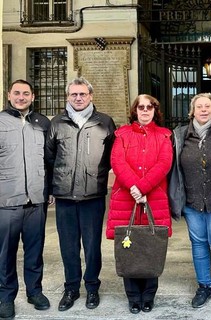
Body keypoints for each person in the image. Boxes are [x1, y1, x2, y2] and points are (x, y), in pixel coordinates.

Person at [45, 77, 116, 312]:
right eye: (74, 94)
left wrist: (98, 177)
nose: (78, 98)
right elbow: (49, 158)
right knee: (68, 246)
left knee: (92, 246)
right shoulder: (57, 123)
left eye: (82, 94)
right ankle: (71, 288)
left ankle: (93, 287)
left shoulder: (104, 122)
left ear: (90, 96)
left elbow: (111, 157)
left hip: (92, 196)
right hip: (65, 197)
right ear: (68, 96)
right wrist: (53, 187)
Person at [168, 93, 211, 317]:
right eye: (199, 107)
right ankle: (204, 286)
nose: (204, 110)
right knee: (198, 245)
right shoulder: (180, 134)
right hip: (192, 201)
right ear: (192, 111)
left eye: (208, 106)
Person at [106, 94, 173, 314]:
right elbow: (117, 161)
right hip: (127, 197)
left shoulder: (164, 136)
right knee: (130, 247)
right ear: (135, 110)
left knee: (151, 246)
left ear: (155, 110)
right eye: (141, 107)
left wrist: (142, 188)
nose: (145, 110)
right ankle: (133, 297)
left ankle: (149, 296)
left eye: (150, 107)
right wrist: (135, 187)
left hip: (153, 197)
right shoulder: (122, 134)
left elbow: (165, 163)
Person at [0, 80, 51, 319]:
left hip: (36, 200)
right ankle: (6, 297)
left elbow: (49, 160)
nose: (21, 97)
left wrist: (48, 190)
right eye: (17, 93)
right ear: (9, 94)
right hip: (7, 201)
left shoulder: (42, 123)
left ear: (33, 96)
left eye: (26, 93)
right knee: (6, 253)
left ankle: (35, 291)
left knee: (34, 250)